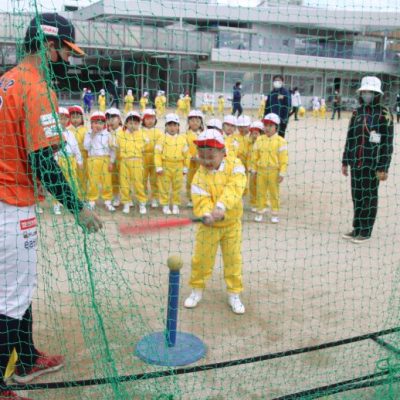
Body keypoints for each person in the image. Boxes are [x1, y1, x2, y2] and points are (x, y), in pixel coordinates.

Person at [0, 13, 102, 400]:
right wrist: (78, 208)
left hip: (5, 197)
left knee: (15, 290)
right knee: (10, 298)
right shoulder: (34, 85)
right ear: (46, 45)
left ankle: (25, 360)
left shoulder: (7, 79)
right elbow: (43, 161)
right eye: (62, 51)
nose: (64, 61)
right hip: (12, 203)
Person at [184, 129, 247, 314]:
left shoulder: (236, 165)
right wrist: (205, 214)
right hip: (209, 228)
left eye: (211, 156)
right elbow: (200, 199)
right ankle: (196, 289)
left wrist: (221, 206)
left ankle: (234, 293)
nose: (206, 161)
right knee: (201, 259)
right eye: (202, 157)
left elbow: (235, 188)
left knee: (233, 260)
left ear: (223, 152)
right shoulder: (199, 176)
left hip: (231, 225)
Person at [341, 76, 394, 244]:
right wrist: (345, 160)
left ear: (377, 94)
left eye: (370, 92)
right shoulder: (357, 112)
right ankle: (357, 227)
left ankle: (365, 230)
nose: (366, 94)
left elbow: (387, 142)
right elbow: (350, 137)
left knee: (369, 197)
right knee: (356, 195)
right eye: (364, 91)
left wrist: (383, 167)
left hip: (373, 164)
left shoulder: (384, 114)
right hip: (356, 162)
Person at [251, 113, 288, 224]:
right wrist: (253, 169)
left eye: (270, 126)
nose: (267, 128)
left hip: (274, 171)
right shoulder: (259, 140)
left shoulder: (281, 141)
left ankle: (275, 213)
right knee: (260, 192)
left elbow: (283, 159)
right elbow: (254, 156)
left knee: (274, 193)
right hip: (261, 171)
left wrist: (282, 173)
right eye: (265, 125)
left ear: (276, 127)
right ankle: (260, 211)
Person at [155, 113, 189, 215]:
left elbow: (187, 154)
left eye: (175, 125)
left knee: (177, 186)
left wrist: (186, 167)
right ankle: (165, 205)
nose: (172, 128)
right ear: (166, 126)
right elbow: (157, 154)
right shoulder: (161, 139)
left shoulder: (182, 139)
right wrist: (158, 167)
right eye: (170, 125)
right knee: (164, 186)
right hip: (165, 166)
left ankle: (175, 204)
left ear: (178, 127)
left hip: (178, 166)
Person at [115, 111, 147, 215]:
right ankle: (126, 202)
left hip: (137, 161)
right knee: (124, 183)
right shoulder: (121, 134)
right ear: (126, 123)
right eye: (131, 123)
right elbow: (115, 144)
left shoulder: (142, 134)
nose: (133, 125)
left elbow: (147, 144)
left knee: (138, 183)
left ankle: (142, 203)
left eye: (136, 123)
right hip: (124, 162)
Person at [53, 107, 83, 215]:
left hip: (70, 160)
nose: (63, 121)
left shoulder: (70, 133)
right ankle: (56, 204)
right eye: (60, 118)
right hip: (59, 160)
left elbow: (75, 148)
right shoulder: (53, 133)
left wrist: (79, 160)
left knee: (72, 182)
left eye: (65, 118)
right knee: (58, 182)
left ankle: (73, 202)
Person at [84, 111, 116, 212]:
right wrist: (92, 135)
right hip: (93, 159)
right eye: (95, 122)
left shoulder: (108, 134)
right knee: (93, 181)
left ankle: (107, 201)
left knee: (107, 181)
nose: (98, 125)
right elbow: (86, 147)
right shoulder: (88, 134)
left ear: (104, 124)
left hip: (105, 159)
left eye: (101, 123)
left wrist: (111, 161)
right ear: (91, 124)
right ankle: (91, 200)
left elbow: (113, 149)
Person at [141, 109, 163, 208]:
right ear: (143, 120)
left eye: (152, 118)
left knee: (155, 179)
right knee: (142, 179)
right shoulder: (140, 131)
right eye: (147, 118)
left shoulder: (159, 133)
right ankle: (143, 198)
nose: (150, 121)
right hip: (142, 158)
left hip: (155, 158)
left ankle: (155, 198)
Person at [68, 105, 88, 200]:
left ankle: (82, 196)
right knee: (71, 176)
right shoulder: (67, 130)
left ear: (82, 118)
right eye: (73, 117)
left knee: (82, 177)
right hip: (71, 157)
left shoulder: (86, 130)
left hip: (83, 157)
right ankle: (72, 195)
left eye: (77, 117)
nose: (75, 120)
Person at [185, 110, 204, 207]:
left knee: (201, 181)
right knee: (190, 180)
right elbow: (184, 148)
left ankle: (201, 199)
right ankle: (190, 198)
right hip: (190, 163)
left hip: (201, 163)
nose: (195, 123)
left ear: (201, 122)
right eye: (192, 120)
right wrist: (189, 157)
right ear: (188, 122)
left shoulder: (204, 134)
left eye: (197, 120)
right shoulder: (186, 135)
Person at [247, 121, 264, 212]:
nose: (254, 135)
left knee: (262, 187)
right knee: (252, 187)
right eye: (253, 133)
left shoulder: (264, 144)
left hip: (261, 170)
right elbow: (248, 157)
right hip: (252, 170)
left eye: (256, 133)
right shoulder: (249, 144)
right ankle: (253, 203)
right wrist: (249, 167)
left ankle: (263, 203)